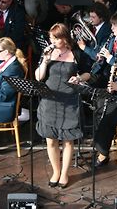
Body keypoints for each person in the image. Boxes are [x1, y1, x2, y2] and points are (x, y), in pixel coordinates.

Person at [35, 23, 90, 188]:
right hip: (49, 100)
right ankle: (56, 172)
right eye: (51, 37)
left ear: (64, 38)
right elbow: (38, 77)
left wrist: (79, 78)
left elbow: (89, 72)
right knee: (50, 140)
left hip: (69, 100)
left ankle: (64, 173)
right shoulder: (48, 53)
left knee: (67, 140)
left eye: (55, 38)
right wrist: (44, 61)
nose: (51, 41)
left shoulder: (76, 54)